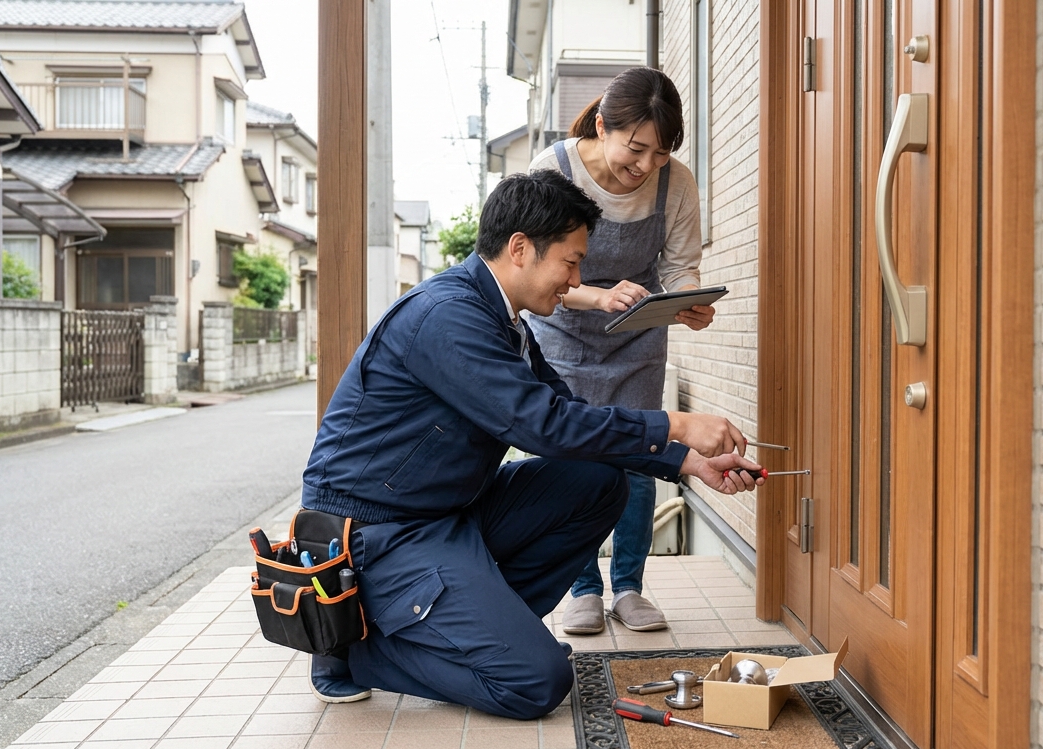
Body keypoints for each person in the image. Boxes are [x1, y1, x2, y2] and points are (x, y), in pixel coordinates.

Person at [298, 170, 763, 720]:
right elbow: (541, 425)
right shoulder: (447, 317)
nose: (576, 279)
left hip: (445, 516)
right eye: (570, 261)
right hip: (376, 534)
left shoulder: (505, 321)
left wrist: (687, 463)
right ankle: (354, 649)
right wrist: (676, 424)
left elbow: (574, 420)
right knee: (536, 683)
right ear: (520, 248)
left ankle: (487, 630)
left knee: (596, 483)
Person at [525, 67, 711, 636]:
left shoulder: (675, 182)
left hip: (638, 338)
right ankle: (582, 588)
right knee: (571, 460)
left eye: (660, 153)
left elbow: (680, 267)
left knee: (638, 456)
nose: (647, 165)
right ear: (602, 125)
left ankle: (629, 585)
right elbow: (534, 274)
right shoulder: (553, 171)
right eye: (636, 149)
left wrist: (689, 302)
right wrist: (598, 295)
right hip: (563, 334)